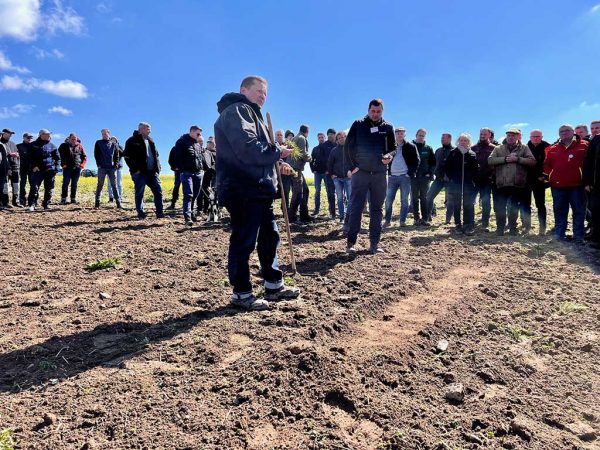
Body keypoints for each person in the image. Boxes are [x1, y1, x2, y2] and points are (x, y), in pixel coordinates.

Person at [214, 75, 299, 310]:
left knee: (269, 237)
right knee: (244, 240)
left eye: (265, 93)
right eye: (258, 91)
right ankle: (241, 293)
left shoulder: (251, 114)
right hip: (243, 188)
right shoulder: (238, 110)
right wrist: (276, 151)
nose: (263, 96)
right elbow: (248, 148)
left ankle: (273, 284)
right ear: (243, 90)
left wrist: (275, 163)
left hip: (259, 188)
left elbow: (255, 154)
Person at [345, 98, 396, 253]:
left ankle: (374, 244)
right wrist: (352, 167)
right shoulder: (358, 124)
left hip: (380, 174)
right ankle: (351, 243)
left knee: (377, 209)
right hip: (361, 173)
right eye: (372, 111)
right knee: (356, 207)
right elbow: (348, 146)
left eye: (378, 112)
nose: (375, 114)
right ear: (368, 110)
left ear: (382, 111)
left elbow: (392, 148)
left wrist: (389, 156)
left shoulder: (388, 127)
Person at [543, 124, 588, 242]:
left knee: (578, 210)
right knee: (559, 210)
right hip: (558, 185)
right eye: (561, 131)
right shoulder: (552, 149)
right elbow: (546, 165)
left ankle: (578, 236)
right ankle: (559, 234)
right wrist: (550, 175)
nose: (564, 133)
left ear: (573, 132)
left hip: (577, 185)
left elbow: (590, 163)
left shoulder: (584, 145)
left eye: (567, 130)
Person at [488, 128, 536, 236]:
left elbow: (532, 161)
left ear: (518, 136)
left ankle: (513, 228)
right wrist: (505, 159)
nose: (510, 137)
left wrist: (518, 159)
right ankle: (500, 228)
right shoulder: (498, 148)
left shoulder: (524, 148)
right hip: (501, 183)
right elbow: (490, 160)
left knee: (513, 207)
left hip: (517, 183)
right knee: (500, 207)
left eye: (513, 136)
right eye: (508, 135)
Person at [124, 122, 164, 219]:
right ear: (141, 129)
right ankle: (141, 213)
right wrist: (135, 170)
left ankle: (160, 213)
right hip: (140, 173)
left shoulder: (151, 140)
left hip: (152, 172)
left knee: (158, 191)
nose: (149, 130)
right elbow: (126, 156)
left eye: (149, 128)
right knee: (140, 193)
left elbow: (156, 155)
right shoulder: (131, 140)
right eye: (147, 128)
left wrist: (158, 168)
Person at [383, 127, 419, 228]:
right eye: (398, 133)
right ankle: (387, 221)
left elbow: (417, 160)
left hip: (405, 177)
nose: (400, 135)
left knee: (404, 200)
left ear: (404, 135)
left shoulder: (411, 146)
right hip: (392, 177)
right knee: (388, 200)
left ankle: (402, 221)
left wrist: (410, 173)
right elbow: (384, 157)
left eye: (401, 133)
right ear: (395, 135)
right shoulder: (390, 146)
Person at [444, 133, 479, 235]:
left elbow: (475, 170)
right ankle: (458, 225)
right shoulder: (453, 153)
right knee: (457, 205)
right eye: (461, 140)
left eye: (465, 140)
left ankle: (469, 225)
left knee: (469, 204)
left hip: (468, 184)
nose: (463, 142)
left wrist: (475, 182)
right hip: (456, 183)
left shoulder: (472, 154)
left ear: (469, 142)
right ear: (458, 141)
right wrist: (452, 178)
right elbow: (447, 167)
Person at [174, 125, 203, 225]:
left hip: (198, 173)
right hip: (187, 173)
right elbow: (177, 156)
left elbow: (200, 158)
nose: (199, 136)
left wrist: (201, 169)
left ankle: (192, 213)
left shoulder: (197, 144)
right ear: (192, 131)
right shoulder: (181, 141)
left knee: (195, 194)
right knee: (188, 195)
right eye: (198, 133)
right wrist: (181, 169)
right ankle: (188, 218)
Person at [524, 130, 550, 235]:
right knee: (526, 204)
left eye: (538, 136)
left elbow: (550, 163)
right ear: (530, 137)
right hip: (527, 180)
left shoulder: (547, 147)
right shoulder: (525, 147)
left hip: (540, 180)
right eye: (533, 136)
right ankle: (527, 227)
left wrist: (544, 176)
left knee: (540, 204)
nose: (535, 138)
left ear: (542, 137)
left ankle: (542, 228)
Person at [27, 129, 60, 211]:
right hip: (37, 170)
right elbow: (29, 157)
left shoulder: (52, 146)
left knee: (49, 188)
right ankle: (32, 204)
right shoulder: (33, 145)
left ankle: (46, 204)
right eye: (47, 134)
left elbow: (58, 159)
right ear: (41, 135)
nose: (49, 136)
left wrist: (56, 169)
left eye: (49, 134)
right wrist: (34, 166)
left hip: (49, 170)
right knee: (34, 187)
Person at [471, 128, 496, 231]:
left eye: (485, 134)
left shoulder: (494, 148)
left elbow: (496, 165)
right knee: (470, 201)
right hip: (474, 179)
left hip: (487, 179)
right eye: (481, 133)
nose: (482, 135)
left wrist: (492, 176)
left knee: (486, 202)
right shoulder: (473, 148)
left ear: (489, 135)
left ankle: (485, 223)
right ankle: (469, 222)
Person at [426, 133, 454, 224]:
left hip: (450, 180)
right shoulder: (438, 150)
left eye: (444, 138)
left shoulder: (455, 151)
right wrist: (433, 173)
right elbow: (434, 163)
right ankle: (428, 216)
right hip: (438, 179)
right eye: (441, 138)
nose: (442, 140)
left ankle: (448, 219)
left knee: (450, 200)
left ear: (449, 139)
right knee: (429, 196)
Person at [327, 130, 353, 230]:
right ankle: (341, 216)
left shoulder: (350, 149)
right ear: (337, 140)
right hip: (337, 179)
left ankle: (348, 217)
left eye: (343, 137)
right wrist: (332, 174)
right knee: (340, 198)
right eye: (339, 138)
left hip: (348, 178)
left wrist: (351, 171)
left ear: (346, 138)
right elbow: (329, 164)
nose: (341, 139)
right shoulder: (334, 150)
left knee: (350, 199)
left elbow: (355, 161)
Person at [411, 128, 436, 225]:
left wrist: (430, 173)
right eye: (420, 135)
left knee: (424, 198)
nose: (421, 137)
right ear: (416, 135)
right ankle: (416, 219)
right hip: (413, 177)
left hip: (424, 177)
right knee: (414, 198)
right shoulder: (410, 147)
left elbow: (433, 163)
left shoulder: (428, 148)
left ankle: (425, 218)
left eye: (423, 136)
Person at [289, 125, 312, 223]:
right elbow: (303, 154)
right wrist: (311, 159)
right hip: (295, 169)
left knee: (305, 191)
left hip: (294, 168)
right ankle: (292, 217)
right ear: (307, 131)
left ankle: (304, 215)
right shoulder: (302, 138)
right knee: (298, 193)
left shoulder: (295, 138)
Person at [311, 129, 337, 218]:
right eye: (319, 138)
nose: (321, 139)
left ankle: (331, 211)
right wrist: (312, 169)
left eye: (322, 137)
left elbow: (328, 160)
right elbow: (312, 160)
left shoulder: (328, 146)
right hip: (317, 173)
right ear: (318, 139)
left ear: (325, 138)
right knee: (317, 191)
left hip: (326, 173)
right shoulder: (315, 149)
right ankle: (316, 210)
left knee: (329, 191)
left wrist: (328, 170)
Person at [94, 129, 122, 208]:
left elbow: (117, 155)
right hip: (102, 167)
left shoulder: (114, 144)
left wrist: (116, 165)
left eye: (105, 134)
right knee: (100, 185)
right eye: (103, 134)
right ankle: (97, 202)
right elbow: (96, 154)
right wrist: (98, 164)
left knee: (114, 185)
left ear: (109, 134)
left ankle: (118, 203)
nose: (104, 135)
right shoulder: (98, 143)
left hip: (111, 168)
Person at [58, 133, 87, 205]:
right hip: (67, 167)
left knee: (74, 184)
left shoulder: (80, 146)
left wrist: (82, 165)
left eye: (75, 139)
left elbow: (84, 156)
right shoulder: (63, 145)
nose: (74, 140)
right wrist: (62, 164)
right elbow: (59, 155)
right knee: (65, 183)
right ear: (69, 138)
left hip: (77, 168)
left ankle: (73, 199)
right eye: (72, 139)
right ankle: (63, 198)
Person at [583, 120, 600, 244]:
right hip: (596, 184)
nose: (595, 130)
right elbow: (588, 162)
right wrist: (587, 182)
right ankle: (596, 236)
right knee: (595, 209)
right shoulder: (595, 141)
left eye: (597, 128)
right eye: (593, 128)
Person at [198, 136, 217, 215]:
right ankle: (200, 208)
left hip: (215, 175)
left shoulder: (218, 153)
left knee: (211, 192)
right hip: (204, 174)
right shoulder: (204, 151)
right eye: (208, 142)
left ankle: (208, 209)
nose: (210, 144)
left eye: (211, 143)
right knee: (201, 190)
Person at [1, 128, 19, 208]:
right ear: (4, 133)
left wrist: (17, 155)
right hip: (4, 168)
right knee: (5, 186)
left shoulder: (13, 143)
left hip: (15, 167)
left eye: (11, 133)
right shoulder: (0, 143)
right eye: (9, 133)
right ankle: (5, 202)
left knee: (16, 185)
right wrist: (10, 154)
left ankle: (16, 202)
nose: (10, 135)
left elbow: (17, 154)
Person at [275, 129, 293, 209]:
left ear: (283, 137)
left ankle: (285, 209)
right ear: (275, 136)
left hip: (285, 174)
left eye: (281, 135)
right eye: (277, 135)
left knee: (285, 192)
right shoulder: (272, 145)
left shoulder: (287, 146)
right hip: (274, 174)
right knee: (273, 191)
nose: (279, 136)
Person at [17, 132, 34, 206]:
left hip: (32, 169)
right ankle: (22, 200)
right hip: (22, 168)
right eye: (28, 137)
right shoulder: (18, 146)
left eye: (30, 138)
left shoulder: (33, 146)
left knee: (33, 185)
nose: (29, 139)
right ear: (23, 138)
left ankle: (32, 200)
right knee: (22, 185)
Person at [106, 136, 124, 203]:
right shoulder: (107, 147)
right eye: (111, 140)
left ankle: (120, 197)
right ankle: (111, 198)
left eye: (114, 140)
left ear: (116, 141)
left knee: (119, 183)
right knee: (110, 183)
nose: (113, 141)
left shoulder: (120, 147)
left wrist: (116, 147)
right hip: (110, 168)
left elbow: (123, 154)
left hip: (119, 168)